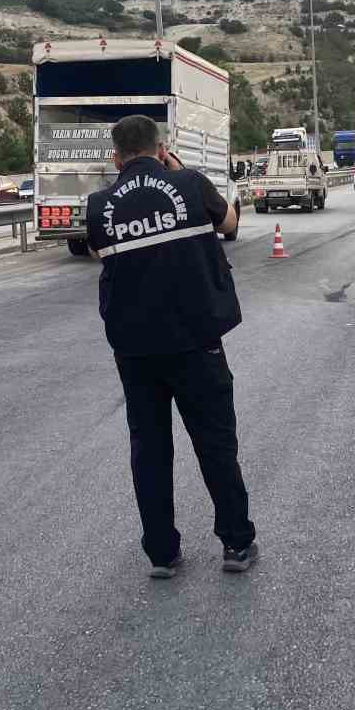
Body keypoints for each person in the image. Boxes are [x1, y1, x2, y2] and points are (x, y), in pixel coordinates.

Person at [85, 115, 258, 579]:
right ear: (162, 149)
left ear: (115, 157)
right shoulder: (191, 182)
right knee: (216, 444)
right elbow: (229, 222)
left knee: (150, 450)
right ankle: (236, 545)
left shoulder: (99, 204)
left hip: (136, 350)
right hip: (196, 342)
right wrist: (177, 173)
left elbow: (106, 256)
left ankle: (162, 554)